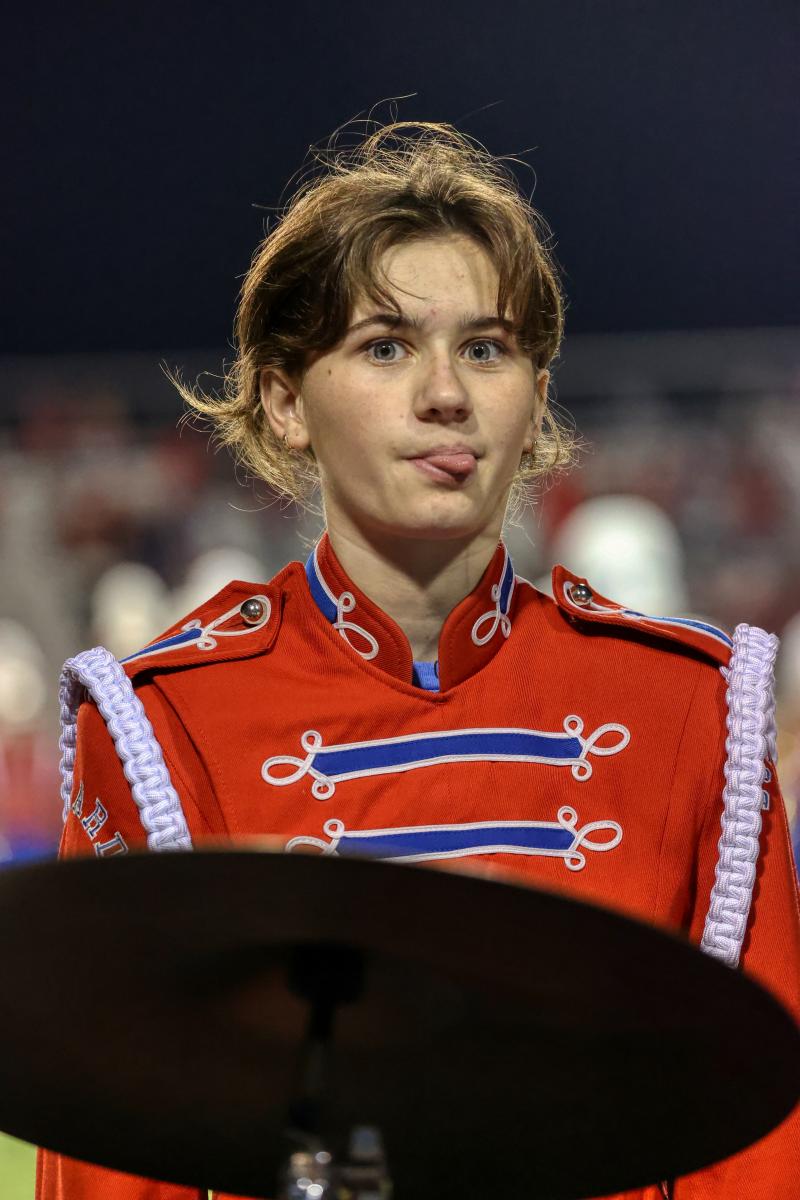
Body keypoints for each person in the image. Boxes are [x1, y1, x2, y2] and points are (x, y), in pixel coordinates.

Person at [37, 121, 800, 1200]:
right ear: (285, 402)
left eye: (486, 349)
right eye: (385, 346)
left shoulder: (690, 706)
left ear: (536, 397)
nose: (446, 393)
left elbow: (763, 1145)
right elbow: (114, 1161)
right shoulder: (165, 722)